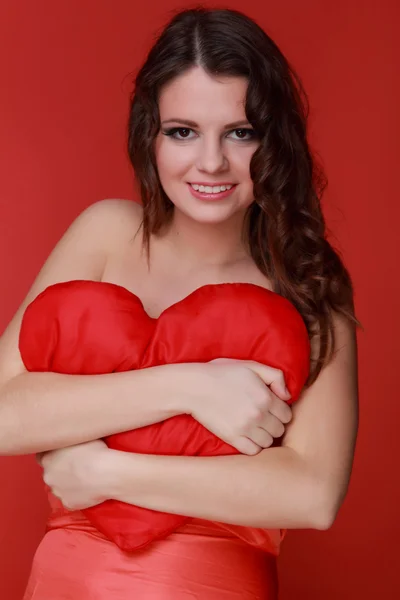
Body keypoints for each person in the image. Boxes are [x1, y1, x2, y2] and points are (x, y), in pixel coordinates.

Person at [0, 6, 360, 599]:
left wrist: (108, 473)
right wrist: (191, 385)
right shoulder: (107, 234)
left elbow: (312, 495)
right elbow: (8, 408)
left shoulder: (309, 280)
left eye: (239, 132)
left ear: (274, 139)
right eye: (183, 131)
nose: (211, 162)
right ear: (152, 135)